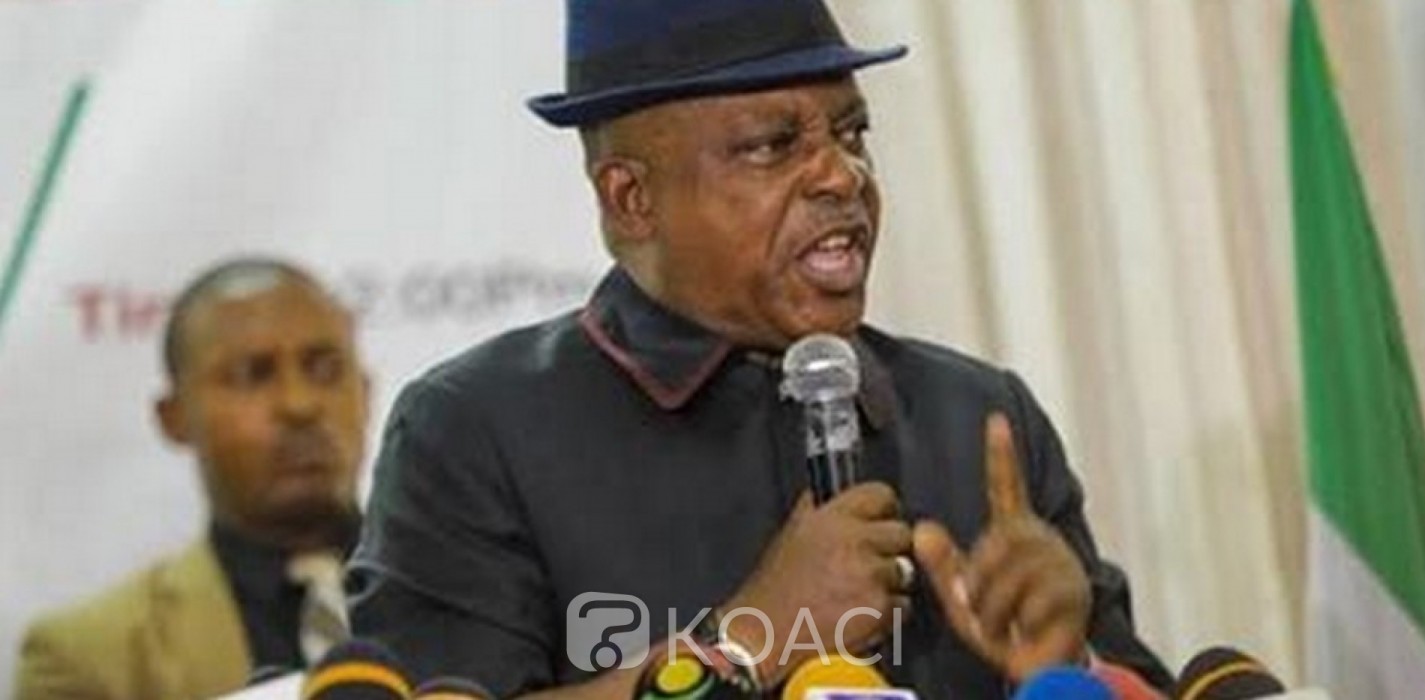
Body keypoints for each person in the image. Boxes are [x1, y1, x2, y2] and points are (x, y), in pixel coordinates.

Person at [348, 0, 1172, 696]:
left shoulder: (980, 417)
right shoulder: (476, 432)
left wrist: (1071, 664)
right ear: (631, 200)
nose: (842, 176)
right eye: (773, 145)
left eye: (852, 132)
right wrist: (747, 642)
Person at [15, 258, 371, 700]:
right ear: (174, 417)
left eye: (324, 368)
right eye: (252, 374)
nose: (299, 404)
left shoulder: (454, 588)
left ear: (366, 391)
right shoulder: (89, 658)